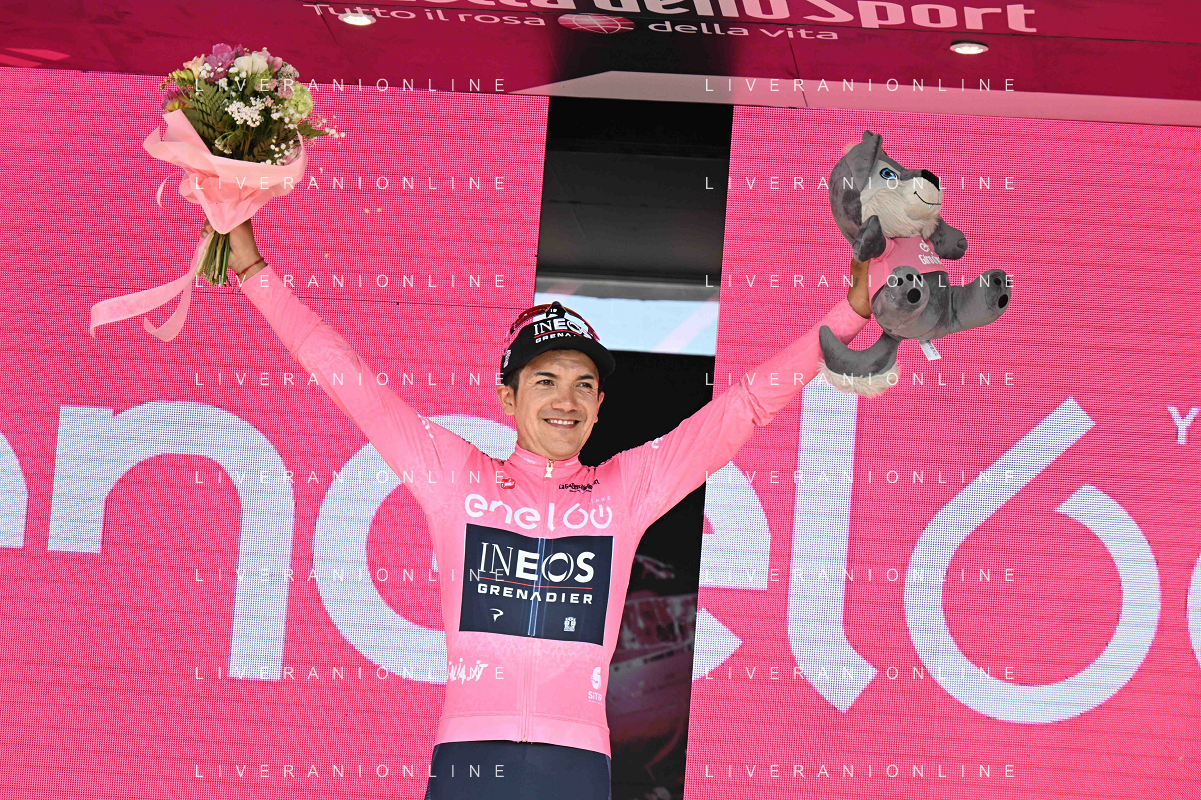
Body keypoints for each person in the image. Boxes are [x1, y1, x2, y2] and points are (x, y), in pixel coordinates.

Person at [204, 217, 873, 799]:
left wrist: (847, 315)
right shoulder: (455, 478)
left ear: (600, 405)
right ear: (508, 397)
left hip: (575, 766)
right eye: (546, 380)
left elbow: (745, 405)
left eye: (584, 385)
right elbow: (346, 376)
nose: (566, 401)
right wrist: (254, 271)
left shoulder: (625, 489)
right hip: (468, 762)